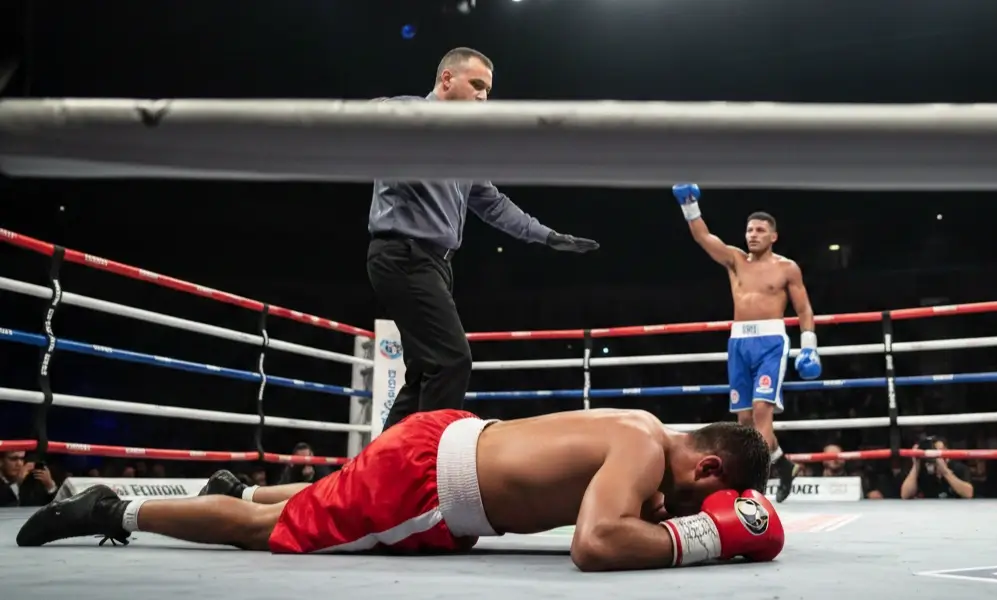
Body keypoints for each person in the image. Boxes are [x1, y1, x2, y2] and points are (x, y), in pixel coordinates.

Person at [17, 409, 783, 572]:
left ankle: (242, 491)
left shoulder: (644, 428)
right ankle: (114, 508)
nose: (685, 509)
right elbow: (596, 543)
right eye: (700, 500)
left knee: (325, 496)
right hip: (428, 485)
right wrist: (707, 537)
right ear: (709, 470)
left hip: (443, 439)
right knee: (273, 536)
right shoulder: (644, 452)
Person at [366, 46, 600, 432]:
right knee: (452, 361)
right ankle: (428, 458)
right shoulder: (413, 114)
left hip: (433, 263)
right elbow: (369, 114)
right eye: (476, 84)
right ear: (446, 80)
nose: (483, 96)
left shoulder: (462, 148)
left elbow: (493, 204)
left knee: (425, 371)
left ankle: (380, 461)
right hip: (403, 254)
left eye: (488, 90)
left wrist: (547, 236)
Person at [672, 183, 821, 504]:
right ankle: (782, 464)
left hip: (771, 341)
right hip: (739, 341)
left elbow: (804, 309)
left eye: (760, 230)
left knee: (761, 411)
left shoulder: (787, 268)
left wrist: (809, 346)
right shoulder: (735, 259)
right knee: (744, 421)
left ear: (773, 236)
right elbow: (703, 237)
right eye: (750, 229)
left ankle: (756, 486)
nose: (753, 235)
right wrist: (689, 206)